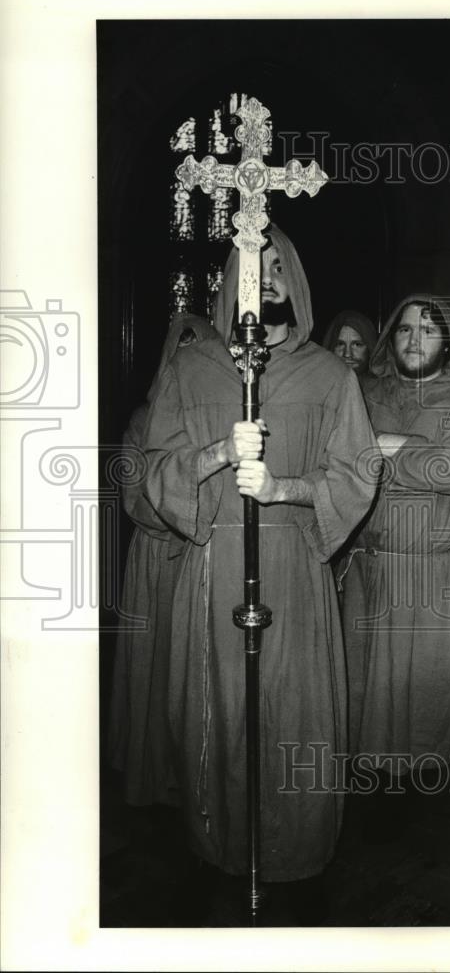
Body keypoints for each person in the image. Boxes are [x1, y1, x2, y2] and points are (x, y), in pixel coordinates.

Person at [141, 224, 378, 884]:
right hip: (215, 563)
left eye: (276, 265)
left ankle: (293, 847)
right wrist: (218, 454)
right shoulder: (192, 368)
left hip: (295, 567)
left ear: (294, 277)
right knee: (217, 709)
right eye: (251, 264)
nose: (264, 277)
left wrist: (283, 489)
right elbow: (153, 467)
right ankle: (220, 842)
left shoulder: (330, 377)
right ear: (227, 280)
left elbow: (357, 473)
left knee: (294, 709)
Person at [340, 294, 450, 799]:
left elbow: (449, 469)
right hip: (366, 568)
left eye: (428, 330)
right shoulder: (364, 393)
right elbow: (340, 458)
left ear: (447, 342)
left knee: (425, 701)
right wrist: (407, 451)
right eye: (405, 329)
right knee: (364, 701)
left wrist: (383, 446)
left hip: (432, 574)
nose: (414, 339)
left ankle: (423, 805)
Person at [108, 312, 219, 807]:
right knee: (155, 673)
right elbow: (137, 499)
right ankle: (153, 776)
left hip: (203, 563)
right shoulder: (141, 420)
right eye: (181, 349)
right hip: (158, 561)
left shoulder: (217, 424)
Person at [322, 309, 378, 387]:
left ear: (370, 348)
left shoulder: (385, 391)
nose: (347, 354)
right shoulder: (318, 388)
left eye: (357, 344)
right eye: (340, 344)